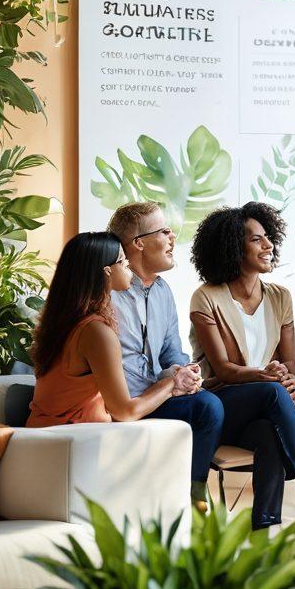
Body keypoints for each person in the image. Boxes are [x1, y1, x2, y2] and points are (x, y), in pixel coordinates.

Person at [189, 202, 295, 533]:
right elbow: (224, 370)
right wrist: (270, 378)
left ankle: (264, 532)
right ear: (233, 247)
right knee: (273, 392)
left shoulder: (280, 297)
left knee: (269, 436)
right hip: (223, 405)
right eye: (256, 240)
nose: (268, 245)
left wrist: (289, 382)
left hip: (265, 409)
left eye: (267, 237)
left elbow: (287, 367)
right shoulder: (207, 297)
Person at [107, 202, 224, 510]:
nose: (173, 237)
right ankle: (191, 502)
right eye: (163, 231)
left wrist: (184, 372)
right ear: (138, 244)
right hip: (121, 405)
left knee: (211, 404)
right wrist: (172, 380)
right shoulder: (106, 291)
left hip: (157, 397)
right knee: (208, 407)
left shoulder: (163, 292)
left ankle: (191, 496)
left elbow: (171, 354)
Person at [28, 233, 196, 438]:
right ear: (106, 272)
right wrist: (172, 383)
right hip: (71, 442)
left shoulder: (68, 323)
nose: (128, 264)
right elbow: (125, 411)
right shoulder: (96, 332)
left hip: (45, 438)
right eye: (122, 260)